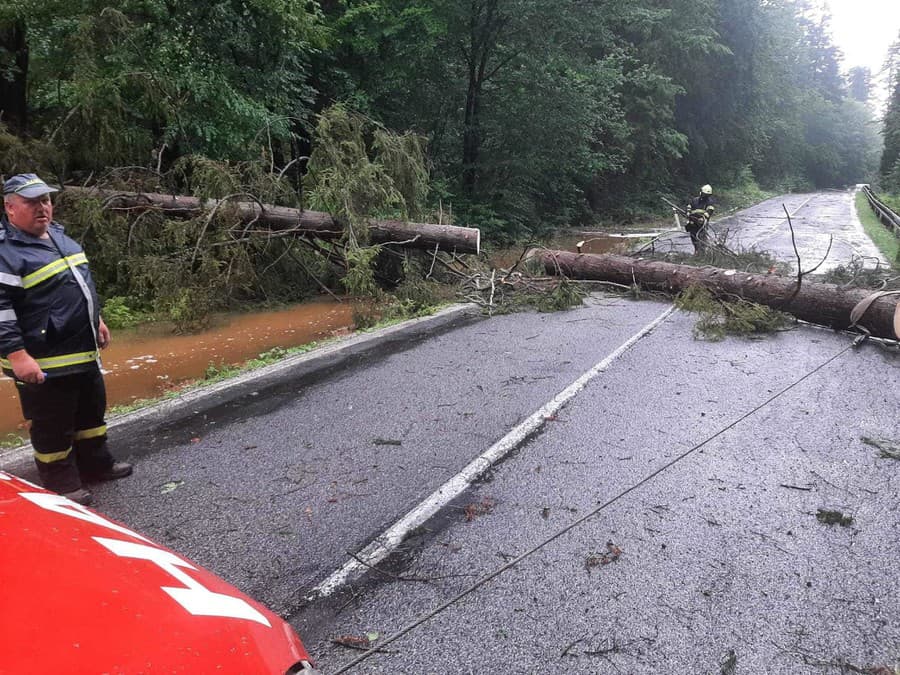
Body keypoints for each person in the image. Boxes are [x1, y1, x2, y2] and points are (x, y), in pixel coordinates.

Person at [0, 173, 132, 505]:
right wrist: (17, 356)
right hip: (43, 361)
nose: (42, 207)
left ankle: (96, 464)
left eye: (45, 200)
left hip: (81, 352)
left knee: (91, 414)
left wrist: (97, 319)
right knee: (52, 425)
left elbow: (76, 287)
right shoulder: (6, 252)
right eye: (32, 202)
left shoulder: (58, 237)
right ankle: (60, 483)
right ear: (10, 207)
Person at [685, 184, 715, 254]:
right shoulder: (695, 200)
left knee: (701, 238)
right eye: (705, 195)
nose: (706, 196)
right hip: (692, 222)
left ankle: (703, 252)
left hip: (702, 224)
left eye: (707, 195)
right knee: (693, 236)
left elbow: (709, 211)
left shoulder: (709, 202)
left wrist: (703, 218)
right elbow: (689, 206)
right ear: (701, 193)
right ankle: (696, 251)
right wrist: (688, 212)